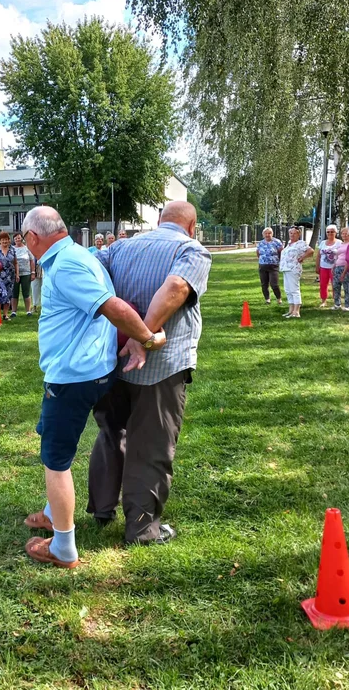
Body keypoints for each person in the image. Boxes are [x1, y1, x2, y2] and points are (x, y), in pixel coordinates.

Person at [21, 207, 167, 569]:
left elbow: (112, 307)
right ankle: (52, 513)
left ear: (32, 238)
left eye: (25, 240)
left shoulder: (68, 264)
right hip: (90, 372)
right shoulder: (77, 255)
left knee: (55, 462)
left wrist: (146, 337)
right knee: (59, 439)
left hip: (73, 377)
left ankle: (63, 547)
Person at [87, 201, 212, 545]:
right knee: (151, 443)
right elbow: (175, 289)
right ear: (191, 226)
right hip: (160, 365)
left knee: (111, 432)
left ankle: (101, 507)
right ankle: (142, 529)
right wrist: (144, 337)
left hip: (111, 361)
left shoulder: (118, 247)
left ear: (159, 221)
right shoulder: (191, 249)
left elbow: (89, 280)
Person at [279, 226, 314, 319]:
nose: (292, 235)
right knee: (288, 290)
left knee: (294, 289)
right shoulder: (289, 243)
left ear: (299, 234)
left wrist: (302, 257)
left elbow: (311, 251)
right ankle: (291, 310)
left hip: (293, 269)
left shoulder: (300, 243)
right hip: (286, 268)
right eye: (291, 233)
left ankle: (296, 311)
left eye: (294, 233)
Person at [0, 231, 18, 321]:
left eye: (6, 239)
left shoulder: (12, 249)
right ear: (0, 241)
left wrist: (17, 274)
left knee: (8, 296)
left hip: (10, 276)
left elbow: (16, 263)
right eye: (3, 240)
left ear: (9, 240)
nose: (5, 241)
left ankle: (5, 315)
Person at [316, 225, 343, 308]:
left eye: (332, 232)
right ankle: (323, 301)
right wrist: (317, 266)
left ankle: (336, 302)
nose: (330, 233)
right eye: (328, 232)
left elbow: (342, 255)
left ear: (335, 232)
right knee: (323, 284)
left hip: (334, 268)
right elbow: (318, 255)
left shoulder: (339, 242)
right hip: (323, 267)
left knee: (335, 285)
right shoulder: (323, 243)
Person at [256, 227, 283, 304]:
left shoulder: (277, 242)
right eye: (266, 233)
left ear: (272, 234)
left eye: (269, 233)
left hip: (273, 266)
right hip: (263, 265)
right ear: (263, 235)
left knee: (274, 284)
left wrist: (278, 261)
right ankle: (267, 299)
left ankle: (279, 298)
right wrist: (262, 259)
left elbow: (281, 252)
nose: (267, 235)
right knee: (264, 283)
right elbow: (258, 253)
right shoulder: (261, 243)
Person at [11, 232, 36, 317]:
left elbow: (32, 261)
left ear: (22, 238)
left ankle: (28, 311)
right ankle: (13, 311)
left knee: (26, 292)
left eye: (19, 238)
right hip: (15, 274)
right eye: (16, 238)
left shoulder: (27, 248)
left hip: (26, 273)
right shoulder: (12, 249)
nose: (18, 239)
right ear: (14, 240)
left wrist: (33, 272)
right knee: (14, 293)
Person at [331, 227, 349, 311]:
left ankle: (347, 305)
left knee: (346, 286)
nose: (344, 235)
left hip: (346, 267)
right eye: (343, 233)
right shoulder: (341, 244)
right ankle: (337, 304)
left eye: (346, 233)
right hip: (337, 267)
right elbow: (337, 256)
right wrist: (333, 266)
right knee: (335, 286)